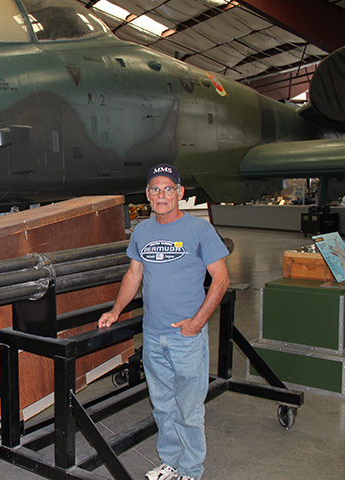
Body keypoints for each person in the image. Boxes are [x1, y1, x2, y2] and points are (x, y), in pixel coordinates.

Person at [98, 164, 229, 480]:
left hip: (186, 337)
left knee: (189, 410)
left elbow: (221, 279)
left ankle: (190, 470)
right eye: (155, 189)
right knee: (163, 406)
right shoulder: (142, 231)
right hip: (153, 336)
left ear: (180, 192)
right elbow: (134, 275)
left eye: (168, 188)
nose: (161, 195)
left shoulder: (199, 230)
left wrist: (196, 323)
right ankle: (170, 463)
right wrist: (116, 310)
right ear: (147, 194)